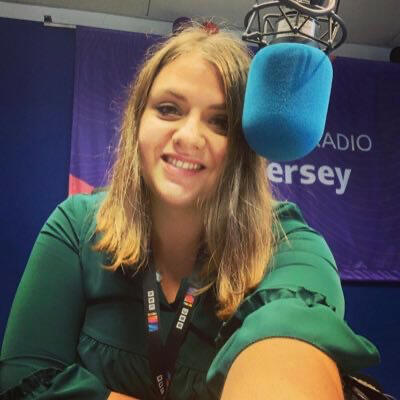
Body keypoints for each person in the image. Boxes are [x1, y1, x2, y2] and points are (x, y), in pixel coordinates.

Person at [0, 26, 379, 400]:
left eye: (220, 122)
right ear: (137, 123)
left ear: (244, 147)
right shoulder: (77, 225)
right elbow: (24, 379)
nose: (189, 136)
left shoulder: (287, 245)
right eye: (168, 109)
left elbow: (288, 343)